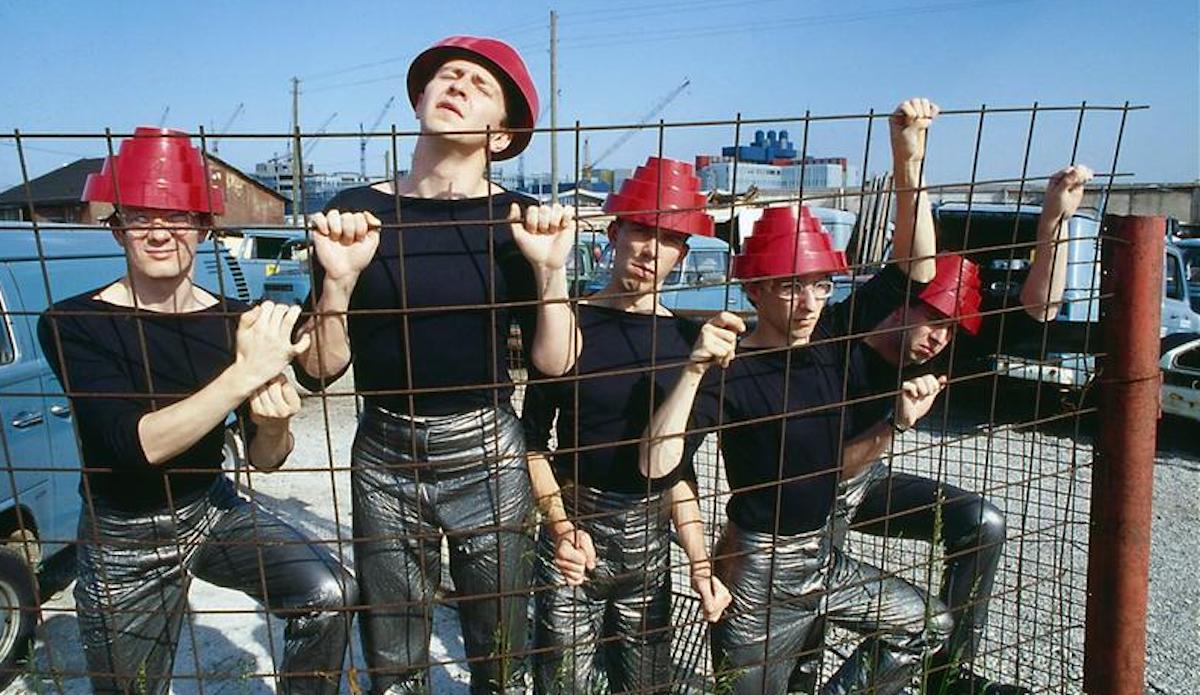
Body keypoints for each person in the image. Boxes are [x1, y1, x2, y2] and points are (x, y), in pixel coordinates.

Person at [291, 36, 580, 694]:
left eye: (479, 86)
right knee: (392, 659)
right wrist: (336, 285)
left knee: (499, 653)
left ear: (502, 136)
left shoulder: (519, 219)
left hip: (486, 447)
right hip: (384, 446)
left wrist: (550, 269)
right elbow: (318, 368)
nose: (455, 86)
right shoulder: (354, 213)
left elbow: (555, 363)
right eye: (447, 76)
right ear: (419, 96)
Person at [642, 99, 952, 694]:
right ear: (755, 290)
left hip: (825, 554)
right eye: (790, 287)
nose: (810, 301)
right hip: (758, 566)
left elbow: (916, 267)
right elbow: (663, 463)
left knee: (926, 625)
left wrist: (908, 161)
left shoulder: (834, 335)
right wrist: (702, 562)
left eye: (820, 284)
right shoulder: (729, 369)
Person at [38, 127, 356, 695]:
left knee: (329, 592)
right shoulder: (73, 323)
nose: (159, 231)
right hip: (122, 533)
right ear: (117, 229)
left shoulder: (237, 323)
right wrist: (244, 375)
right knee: (130, 687)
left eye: (178, 215)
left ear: (205, 227)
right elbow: (135, 446)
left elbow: (268, 460)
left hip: (211, 508)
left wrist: (275, 422)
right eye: (140, 215)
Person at [793, 164, 1094, 695]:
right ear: (903, 303)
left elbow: (1040, 307)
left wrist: (1056, 219)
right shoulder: (847, 325)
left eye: (953, 329)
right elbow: (910, 250)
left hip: (863, 480)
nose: (940, 339)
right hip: (802, 489)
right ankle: (803, 680)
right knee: (815, 580)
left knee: (983, 522)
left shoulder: (944, 348)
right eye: (934, 318)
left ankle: (944, 676)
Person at [522, 157, 732, 694]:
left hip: (648, 541)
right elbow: (531, 442)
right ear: (615, 233)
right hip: (573, 530)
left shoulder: (691, 344)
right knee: (562, 683)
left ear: (682, 254)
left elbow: (677, 473)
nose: (649, 249)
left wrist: (700, 561)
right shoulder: (568, 324)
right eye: (641, 229)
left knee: (645, 686)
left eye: (668, 238)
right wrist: (560, 528)